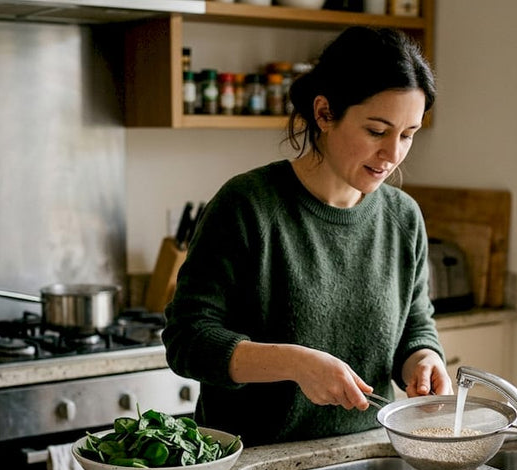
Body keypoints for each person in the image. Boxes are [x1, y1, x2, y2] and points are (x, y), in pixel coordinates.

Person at [163, 26, 452, 446]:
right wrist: (294, 363)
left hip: (365, 455)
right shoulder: (248, 205)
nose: (393, 155)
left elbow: (414, 326)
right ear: (324, 113)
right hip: (249, 465)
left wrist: (423, 360)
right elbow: (187, 340)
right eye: (376, 131)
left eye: (407, 135)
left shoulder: (403, 217)